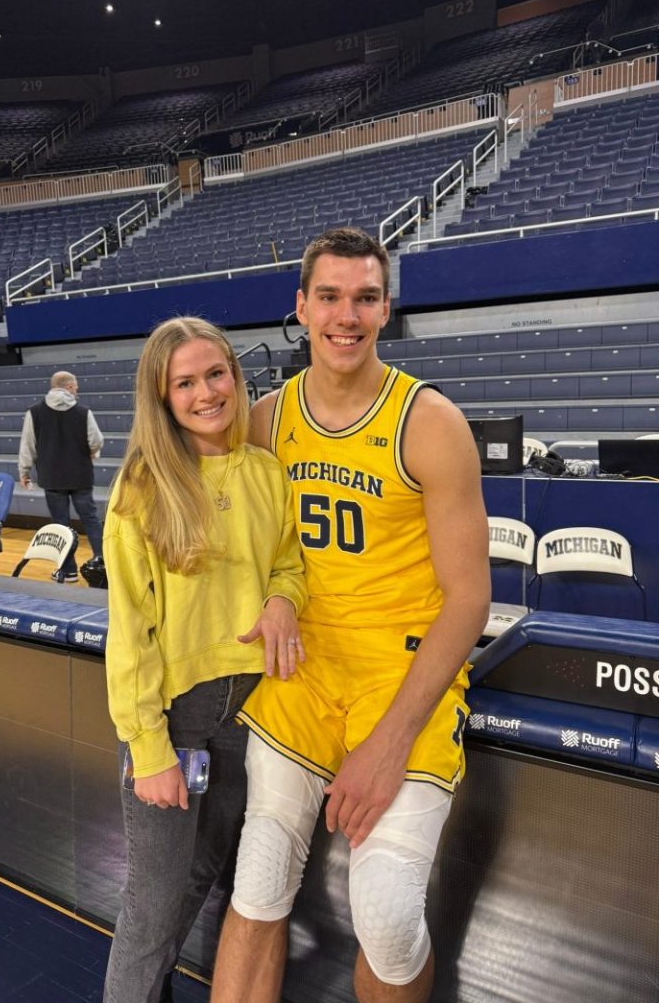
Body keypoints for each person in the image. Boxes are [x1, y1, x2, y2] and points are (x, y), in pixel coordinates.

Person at [211, 228, 490, 1003]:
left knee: (388, 910)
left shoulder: (429, 423)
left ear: (385, 308)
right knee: (260, 876)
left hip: (399, 678)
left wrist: (388, 742)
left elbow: (470, 599)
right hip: (303, 672)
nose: (346, 314)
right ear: (300, 308)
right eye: (329, 296)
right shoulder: (266, 422)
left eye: (365, 297)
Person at [102, 318, 307, 1003]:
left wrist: (282, 599)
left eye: (214, 374)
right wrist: (149, 747)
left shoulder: (267, 473)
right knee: (152, 904)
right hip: (176, 719)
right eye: (184, 383)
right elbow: (130, 634)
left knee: (206, 872)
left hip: (252, 708)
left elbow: (289, 564)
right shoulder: (142, 490)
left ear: (235, 374)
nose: (205, 392)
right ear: (162, 398)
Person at [18, 370, 104, 582]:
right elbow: (96, 440)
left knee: (61, 523)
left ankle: (68, 571)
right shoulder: (83, 412)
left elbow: (28, 445)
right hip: (80, 474)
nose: (77, 391)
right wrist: (93, 452)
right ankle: (103, 565)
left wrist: (24, 471)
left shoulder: (34, 412)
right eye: (75, 387)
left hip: (52, 476)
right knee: (91, 520)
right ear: (67, 387)